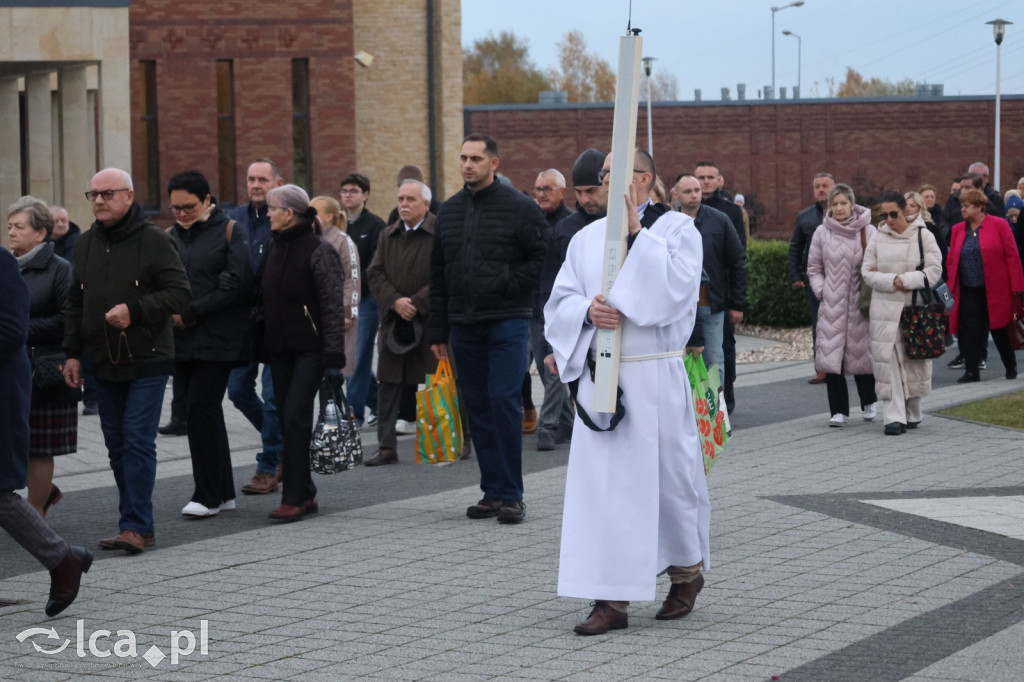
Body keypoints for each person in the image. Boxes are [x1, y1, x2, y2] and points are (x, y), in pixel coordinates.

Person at [544, 155, 709, 636]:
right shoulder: (585, 237)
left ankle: (686, 572)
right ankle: (612, 599)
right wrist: (586, 311)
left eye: (615, 173)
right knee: (606, 492)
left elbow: (676, 294)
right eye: (603, 175)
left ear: (643, 179)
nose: (605, 183)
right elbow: (560, 300)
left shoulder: (677, 230)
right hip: (605, 382)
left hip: (655, 377)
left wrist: (638, 234)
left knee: (669, 484)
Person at [63, 168, 191, 553]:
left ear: (129, 196)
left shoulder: (154, 241)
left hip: (148, 358)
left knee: (137, 441)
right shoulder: (84, 244)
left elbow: (180, 293)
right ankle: (133, 523)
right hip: (103, 359)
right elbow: (75, 301)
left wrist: (134, 310)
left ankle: (136, 525)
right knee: (116, 444)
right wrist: (71, 353)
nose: (99, 201)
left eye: (107, 194)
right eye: (93, 195)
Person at [429, 133, 546, 524]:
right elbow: (438, 272)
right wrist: (437, 332)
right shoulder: (449, 211)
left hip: (507, 321)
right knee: (476, 407)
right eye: (463, 157)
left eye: (476, 158)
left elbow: (539, 259)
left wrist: (508, 284)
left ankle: (513, 494)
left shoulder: (520, 208)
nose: (467, 165)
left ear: (494, 163)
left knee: (502, 401)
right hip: (464, 324)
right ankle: (491, 492)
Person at [0, 245, 91, 617]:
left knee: (0, 493)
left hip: (2, 392)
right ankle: (64, 558)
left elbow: (10, 331)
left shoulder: (3, 264)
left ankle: (63, 559)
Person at [166, 171, 253, 518]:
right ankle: (224, 491)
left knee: (199, 408)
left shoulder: (231, 230)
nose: (182, 214)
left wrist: (193, 312)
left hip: (219, 336)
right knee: (203, 411)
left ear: (207, 200)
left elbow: (236, 282)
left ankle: (207, 495)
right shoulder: (171, 236)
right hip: (182, 338)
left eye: (188, 207)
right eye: (175, 208)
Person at [258, 185, 346, 521]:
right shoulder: (275, 246)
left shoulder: (318, 250)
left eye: (273, 208)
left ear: (289, 213)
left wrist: (334, 360)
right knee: (285, 419)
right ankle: (305, 491)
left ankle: (294, 496)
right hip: (280, 349)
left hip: (311, 350)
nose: (268, 213)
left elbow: (331, 309)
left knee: (295, 418)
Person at [8, 196, 80, 515]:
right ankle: (45, 491)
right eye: (9, 226)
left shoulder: (61, 269)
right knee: (12, 442)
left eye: (19, 227)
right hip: (10, 367)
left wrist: (18, 328)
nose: (11, 232)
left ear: (40, 233)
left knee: (38, 447)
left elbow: (68, 319)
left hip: (46, 369)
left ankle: (36, 511)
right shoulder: (6, 266)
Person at [365, 180, 438, 466]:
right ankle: (386, 447)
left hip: (430, 324)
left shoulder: (439, 232)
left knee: (440, 382)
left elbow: (445, 276)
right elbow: (374, 273)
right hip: (395, 324)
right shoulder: (387, 235)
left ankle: (451, 439)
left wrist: (416, 303)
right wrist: (396, 301)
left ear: (426, 204)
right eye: (400, 199)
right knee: (388, 383)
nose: (403, 204)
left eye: (410, 199)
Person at [862, 191, 942, 435]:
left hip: (914, 309)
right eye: (884, 214)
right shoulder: (877, 237)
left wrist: (907, 280)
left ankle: (912, 411)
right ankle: (893, 418)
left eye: (893, 214)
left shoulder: (923, 235)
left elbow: (934, 270)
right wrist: (891, 280)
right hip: (884, 309)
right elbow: (867, 272)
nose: (888, 219)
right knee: (889, 360)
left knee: (914, 359)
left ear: (905, 211)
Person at [227, 159, 285, 495]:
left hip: (277, 320)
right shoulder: (233, 219)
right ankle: (282, 446)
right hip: (242, 321)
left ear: (278, 181)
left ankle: (267, 466)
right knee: (237, 390)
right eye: (251, 179)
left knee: (273, 396)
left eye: (263, 179)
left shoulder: (285, 217)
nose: (256, 184)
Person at [806, 184, 877, 426]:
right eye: (834, 204)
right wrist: (821, 290)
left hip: (861, 303)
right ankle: (838, 410)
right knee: (831, 356)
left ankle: (869, 401)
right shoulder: (821, 233)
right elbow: (814, 267)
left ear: (852, 205)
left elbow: (878, 262)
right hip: (832, 304)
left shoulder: (868, 231)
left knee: (861, 354)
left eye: (843, 203)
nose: (838, 208)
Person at [672, 174, 746, 388]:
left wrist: (737, 303)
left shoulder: (719, 220)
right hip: (680, 305)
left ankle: (715, 415)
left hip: (711, 303)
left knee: (714, 361)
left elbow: (737, 261)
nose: (694, 195)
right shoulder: (669, 222)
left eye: (697, 190)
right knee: (680, 362)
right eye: (688, 191)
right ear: (676, 194)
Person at [946, 188, 1024, 384]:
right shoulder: (957, 230)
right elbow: (951, 260)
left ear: (979, 207)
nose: (962, 209)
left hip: (996, 288)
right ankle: (972, 371)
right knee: (970, 331)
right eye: (961, 205)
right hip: (968, 289)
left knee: (999, 329)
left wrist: (1018, 288)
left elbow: (1012, 256)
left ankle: (1010, 364)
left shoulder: (999, 225)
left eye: (966, 206)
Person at [526, 168, 574, 440]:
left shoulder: (570, 223)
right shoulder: (531, 221)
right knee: (547, 372)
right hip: (535, 304)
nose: (541, 194)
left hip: (563, 304)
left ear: (562, 192)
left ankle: (548, 425)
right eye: (538, 189)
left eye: (547, 189)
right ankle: (569, 423)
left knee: (554, 365)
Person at [341, 173, 387, 427]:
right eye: (345, 191)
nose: (348, 195)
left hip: (367, 303)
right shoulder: (339, 224)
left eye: (354, 190)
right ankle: (383, 404)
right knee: (351, 360)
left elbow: (373, 267)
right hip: (343, 302)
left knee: (356, 359)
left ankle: (353, 415)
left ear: (366, 195)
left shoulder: (375, 226)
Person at [788, 172, 836, 384]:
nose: (821, 189)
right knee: (819, 324)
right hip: (816, 279)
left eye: (825, 185)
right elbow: (795, 248)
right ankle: (822, 369)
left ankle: (845, 364)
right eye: (817, 186)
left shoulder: (847, 213)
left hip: (843, 277)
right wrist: (795, 274)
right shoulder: (805, 216)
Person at [311, 195, 360, 378]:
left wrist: (348, 313)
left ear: (329, 216)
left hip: (339, 316)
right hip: (319, 315)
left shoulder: (343, 241)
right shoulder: (312, 239)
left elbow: (352, 278)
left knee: (339, 370)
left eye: (314, 212)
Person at [905, 190, 949, 281]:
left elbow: (942, 256)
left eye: (912, 206)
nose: (907, 208)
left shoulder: (930, 229)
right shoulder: (897, 229)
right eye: (905, 205)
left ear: (919, 208)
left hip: (924, 280)